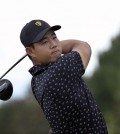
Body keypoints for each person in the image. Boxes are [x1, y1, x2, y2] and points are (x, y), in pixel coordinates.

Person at [20, 19, 108, 134]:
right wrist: (58, 46)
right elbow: (83, 46)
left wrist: (51, 46)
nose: (53, 44)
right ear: (30, 51)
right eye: (44, 42)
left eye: (54, 37)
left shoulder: (36, 81)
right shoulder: (61, 69)